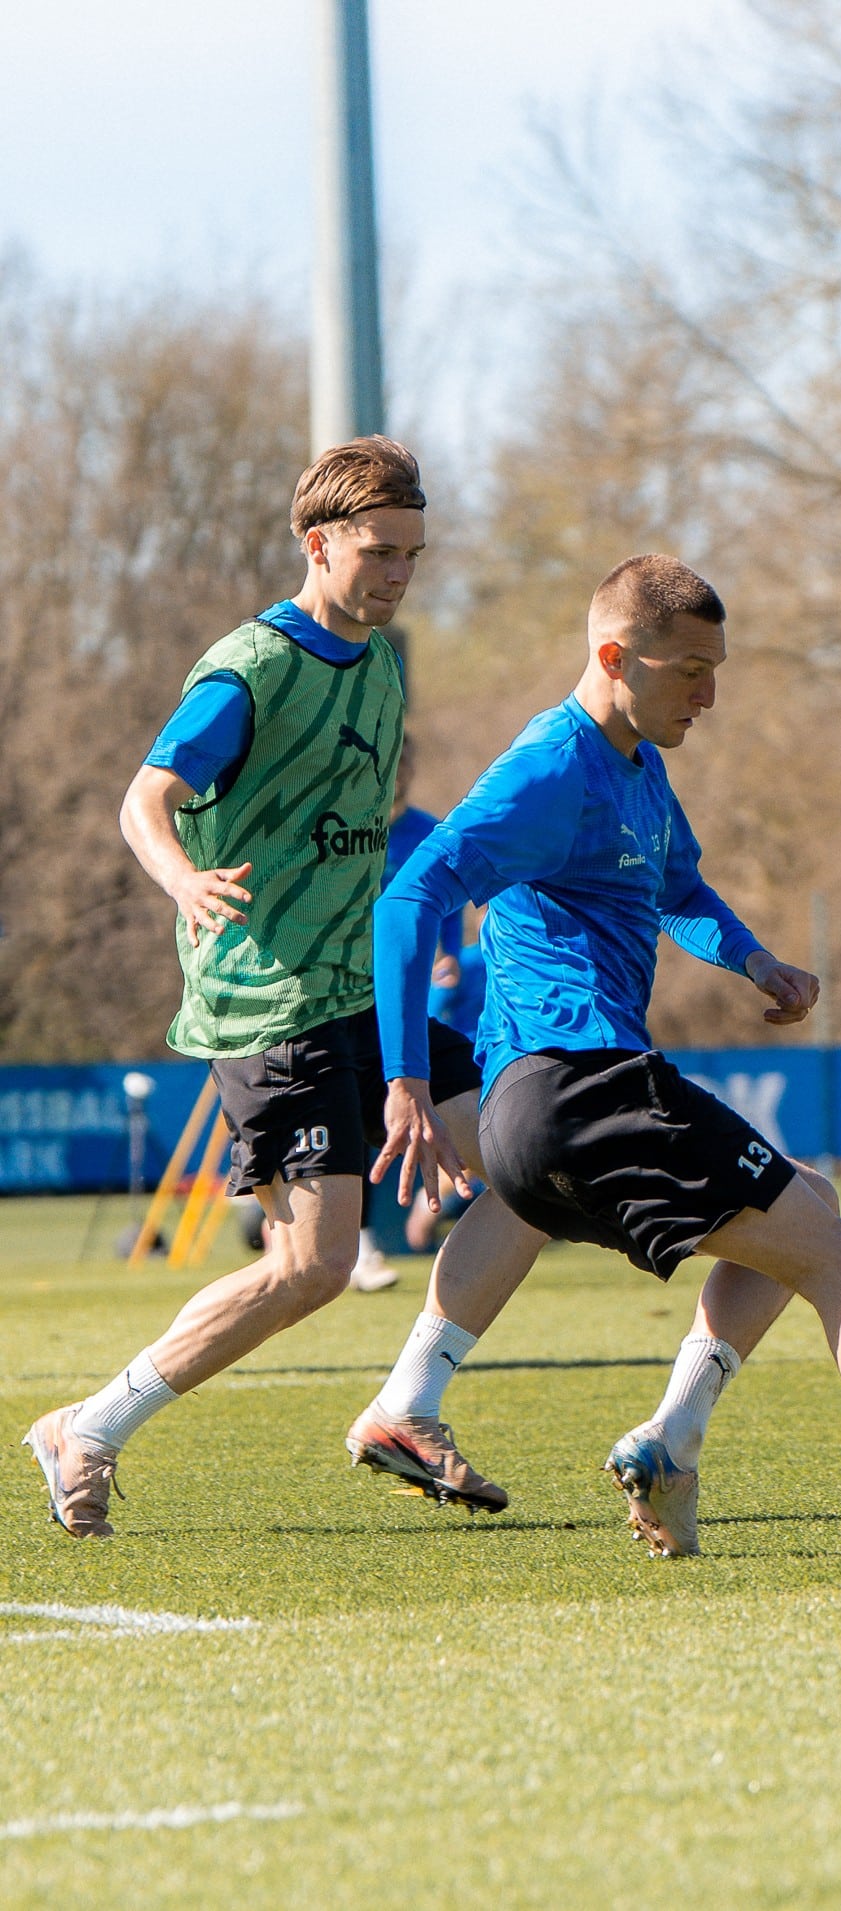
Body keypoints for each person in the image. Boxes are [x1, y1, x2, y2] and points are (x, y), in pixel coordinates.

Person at [357, 553, 841, 1564]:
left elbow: (678, 893)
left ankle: (644, 1436)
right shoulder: (551, 765)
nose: (708, 695)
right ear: (615, 657)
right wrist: (405, 1075)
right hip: (587, 1085)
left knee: (789, 1203)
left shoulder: (638, 772)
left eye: (718, 668)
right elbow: (414, 893)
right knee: (839, 1256)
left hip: (533, 1115)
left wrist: (755, 959)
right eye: (688, 671)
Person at [22, 436, 544, 1538]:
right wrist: (183, 879)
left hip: (362, 992)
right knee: (314, 1266)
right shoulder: (249, 669)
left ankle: (407, 1406)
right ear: (318, 543)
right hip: (269, 1007)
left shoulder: (385, 661)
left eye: (412, 553)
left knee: (530, 1163)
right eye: (378, 552)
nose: (398, 575)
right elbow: (144, 799)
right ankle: (92, 1425)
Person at [347, 738, 468, 1289]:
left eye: (404, 765)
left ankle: (439, 1208)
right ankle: (359, 1246)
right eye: (386, 766)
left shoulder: (429, 830)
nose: (395, 778)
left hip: (414, 1000)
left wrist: (447, 957)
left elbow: (446, 917)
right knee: (351, 1116)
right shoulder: (346, 830)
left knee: (460, 1096)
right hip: (345, 999)